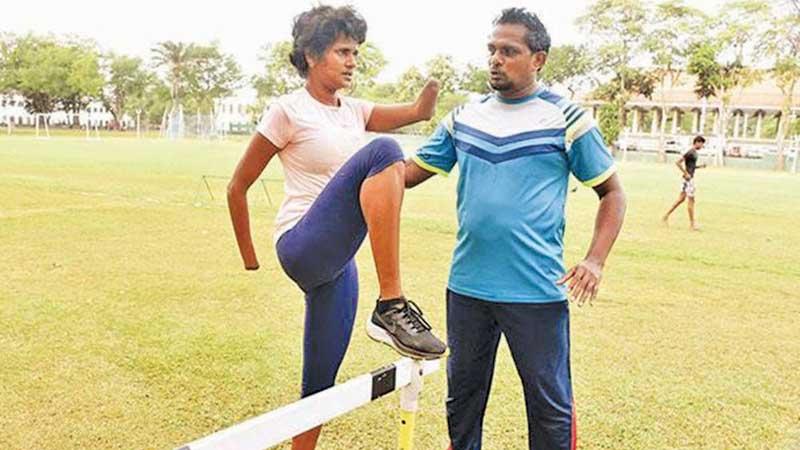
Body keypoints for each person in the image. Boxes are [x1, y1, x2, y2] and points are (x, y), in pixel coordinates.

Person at [403, 8, 627, 450]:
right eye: (491, 50)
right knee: (462, 401)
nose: (495, 60)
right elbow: (406, 175)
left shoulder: (567, 119)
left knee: (549, 407)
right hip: (467, 288)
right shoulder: (464, 117)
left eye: (509, 51)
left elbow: (613, 194)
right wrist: (355, 161)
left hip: (536, 292)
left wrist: (595, 260)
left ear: (538, 59)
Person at [226, 5, 446, 449]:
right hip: (302, 243)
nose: (352, 61)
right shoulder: (287, 110)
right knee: (384, 150)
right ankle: (391, 304)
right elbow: (238, 186)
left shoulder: (355, 111)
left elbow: (418, 113)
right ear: (310, 55)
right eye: (343, 52)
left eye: (356, 53)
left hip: (339, 261)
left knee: (320, 383)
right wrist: (250, 257)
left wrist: (433, 92)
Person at [662, 135, 707, 230]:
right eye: (702, 144)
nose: (702, 146)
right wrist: (686, 173)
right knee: (691, 200)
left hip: (688, 179)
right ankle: (692, 224)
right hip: (688, 180)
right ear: (697, 142)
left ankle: (666, 216)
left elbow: (691, 166)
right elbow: (678, 162)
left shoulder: (694, 153)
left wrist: (700, 166)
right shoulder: (690, 152)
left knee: (681, 199)